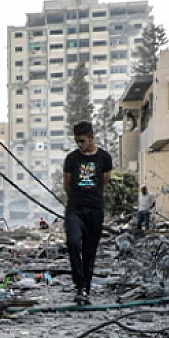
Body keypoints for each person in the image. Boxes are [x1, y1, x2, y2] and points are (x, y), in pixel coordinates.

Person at [61, 121, 114, 307]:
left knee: (90, 251)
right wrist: (77, 200)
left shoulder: (105, 158)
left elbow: (104, 182)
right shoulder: (72, 159)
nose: (80, 145)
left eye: (82, 141)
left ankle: (84, 289)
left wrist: (91, 198)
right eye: (77, 141)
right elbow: (67, 185)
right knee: (73, 242)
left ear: (91, 137)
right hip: (75, 207)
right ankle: (79, 283)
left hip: (95, 209)